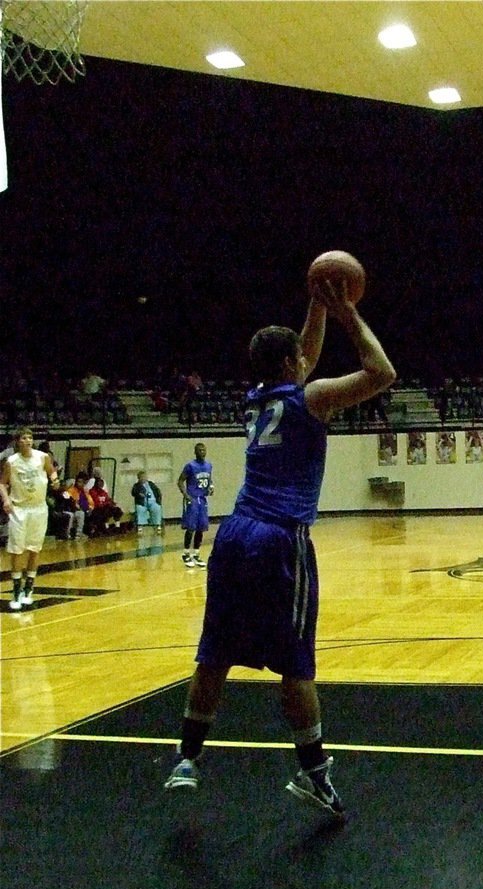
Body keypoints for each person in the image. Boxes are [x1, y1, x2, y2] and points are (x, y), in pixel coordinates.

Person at [163, 272, 397, 819]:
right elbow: (382, 372)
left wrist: (314, 302)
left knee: (214, 652)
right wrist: (345, 314)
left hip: (234, 531)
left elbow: (303, 357)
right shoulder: (312, 398)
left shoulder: (260, 396)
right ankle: (314, 775)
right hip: (278, 539)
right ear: (294, 365)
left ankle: (186, 759)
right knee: (295, 663)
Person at [0, 428, 60, 610]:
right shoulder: (11, 462)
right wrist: (6, 499)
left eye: (30, 437)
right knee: (17, 550)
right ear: (18, 441)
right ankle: (16, 591)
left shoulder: (42, 457)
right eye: (24, 438)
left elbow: (52, 472)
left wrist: (55, 480)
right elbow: (2, 483)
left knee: (35, 548)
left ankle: (29, 588)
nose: (28, 440)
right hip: (20, 509)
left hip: (39, 508)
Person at [178, 442, 213, 567]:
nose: (202, 452)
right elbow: (180, 481)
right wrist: (186, 494)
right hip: (192, 498)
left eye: (204, 450)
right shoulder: (190, 466)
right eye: (199, 450)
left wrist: (211, 487)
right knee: (191, 527)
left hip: (202, 499)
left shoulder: (209, 465)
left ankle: (196, 554)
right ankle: (186, 553)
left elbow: (209, 480)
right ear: (195, 452)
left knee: (201, 527)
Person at [64, 472, 93, 539]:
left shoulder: (85, 491)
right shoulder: (71, 490)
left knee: (84, 513)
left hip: (82, 510)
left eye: (82, 482)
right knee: (80, 513)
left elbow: (90, 502)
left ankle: (78, 535)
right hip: (71, 510)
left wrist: (90, 508)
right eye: (78, 482)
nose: (79, 484)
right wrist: (77, 506)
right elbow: (71, 502)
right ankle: (68, 535)